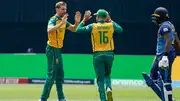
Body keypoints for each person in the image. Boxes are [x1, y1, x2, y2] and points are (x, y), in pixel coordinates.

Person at [76, 9, 123, 101]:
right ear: (106, 17)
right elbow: (120, 30)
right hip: (109, 54)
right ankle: (108, 87)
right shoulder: (111, 25)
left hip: (98, 54)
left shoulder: (93, 26)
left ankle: (103, 99)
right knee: (107, 75)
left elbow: (78, 30)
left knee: (100, 79)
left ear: (98, 17)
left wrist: (84, 20)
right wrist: (110, 20)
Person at [39, 1, 81, 101]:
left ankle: (61, 98)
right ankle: (42, 98)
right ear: (57, 9)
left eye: (65, 9)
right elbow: (49, 30)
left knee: (60, 75)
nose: (64, 11)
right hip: (52, 48)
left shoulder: (64, 21)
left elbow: (74, 29)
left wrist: (77, 22)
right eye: (62, 9)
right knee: (52, 75)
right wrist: (61, 23)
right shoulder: (53, 20)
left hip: (58, 50)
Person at [142, 7, 180, 101]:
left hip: (164, 54)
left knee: (165, 78)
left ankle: (169, 98)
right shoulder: (170, 25)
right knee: (153, 75)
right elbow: (177, 41)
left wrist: (166, 56)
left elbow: (168, 40)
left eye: (156, 17)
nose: (155, 19)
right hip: (161, 55)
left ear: (162, 17)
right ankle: (164, 95)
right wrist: (175, 52)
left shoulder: (165, 27)